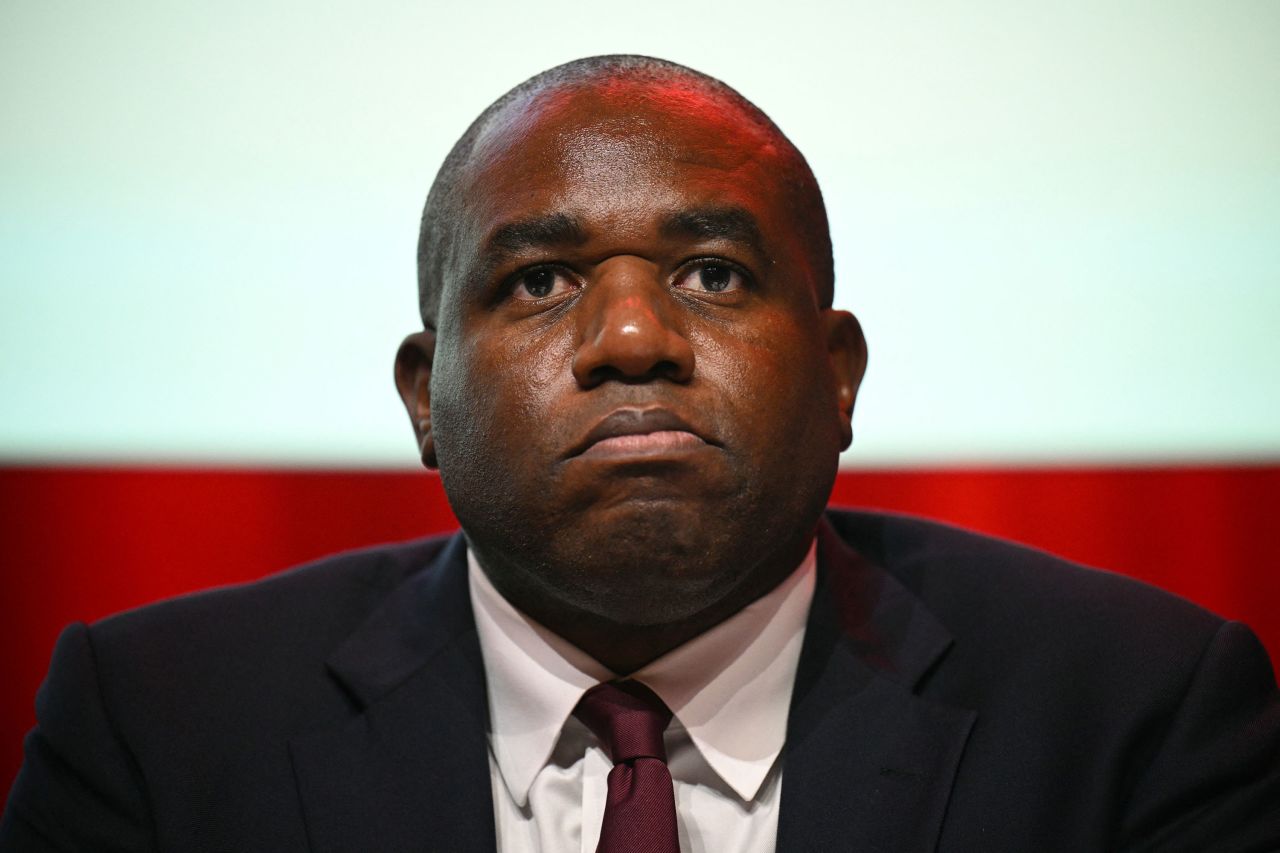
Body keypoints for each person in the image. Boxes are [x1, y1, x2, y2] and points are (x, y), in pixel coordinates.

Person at [2, 54, 1277, 853]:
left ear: (838, 376)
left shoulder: (1136, 712)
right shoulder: (161, 723)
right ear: (422, 399)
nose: (629, 337)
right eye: (541, 278)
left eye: (712, 274)